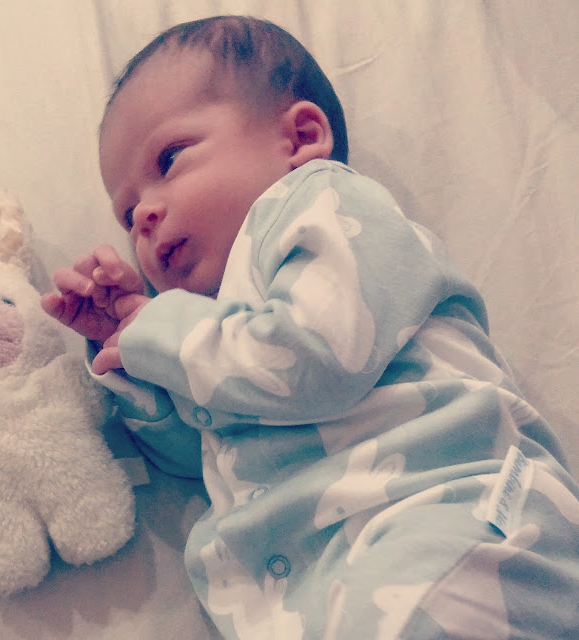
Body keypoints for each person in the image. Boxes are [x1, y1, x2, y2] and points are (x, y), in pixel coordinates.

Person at [41, 15, 579, 640]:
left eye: (170, 159)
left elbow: (313, 359)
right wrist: (131, 364)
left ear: (298, 138)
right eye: (128, 211)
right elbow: (205, 457)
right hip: (323, 591)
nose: (143, 218)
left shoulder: (325, 206)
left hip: (453, 520)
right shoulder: (215, 320)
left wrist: (157, 327)